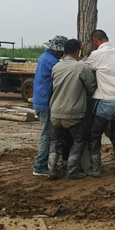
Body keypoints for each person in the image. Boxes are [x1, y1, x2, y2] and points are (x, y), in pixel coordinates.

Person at [48, 39, 96, 180]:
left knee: (55, 141)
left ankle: (51, 169)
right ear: (78, 51)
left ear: (64, 51)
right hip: (74, 113)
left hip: (55, 111)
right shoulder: (81, 67)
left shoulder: (56, 67)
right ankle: (72, 170)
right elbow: (91, 87)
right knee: (79, 140)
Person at [84, 29, 115, 177]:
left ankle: (95, 169)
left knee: (94, 135)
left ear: (95, 41)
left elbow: (83, 67)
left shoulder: (97, 54)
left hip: (104, 101)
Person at [31, 35, 67, 176]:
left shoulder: (46, 57)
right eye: (62, 51)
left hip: (42, 100)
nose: (63, 53)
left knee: (48, 134)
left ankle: (44, 164)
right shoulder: (51, 62)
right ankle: (40, 166)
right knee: (47, 135)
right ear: (57, 50)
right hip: (45, 103)